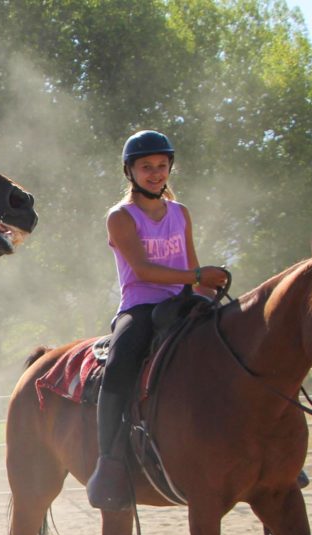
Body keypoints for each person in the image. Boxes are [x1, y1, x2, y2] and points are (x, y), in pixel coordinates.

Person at [86, 130, 230, 511]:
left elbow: (190, 264)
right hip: (142, 306)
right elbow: (145, 270)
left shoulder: (180, 212)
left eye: (161, 166)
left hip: (184, 299)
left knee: (237, 343)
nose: (155, 174)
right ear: (129, 171)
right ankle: (109, 462)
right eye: (146, 167)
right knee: (119, 365)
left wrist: (208, 292)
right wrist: (199, 278)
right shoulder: (121, 217)